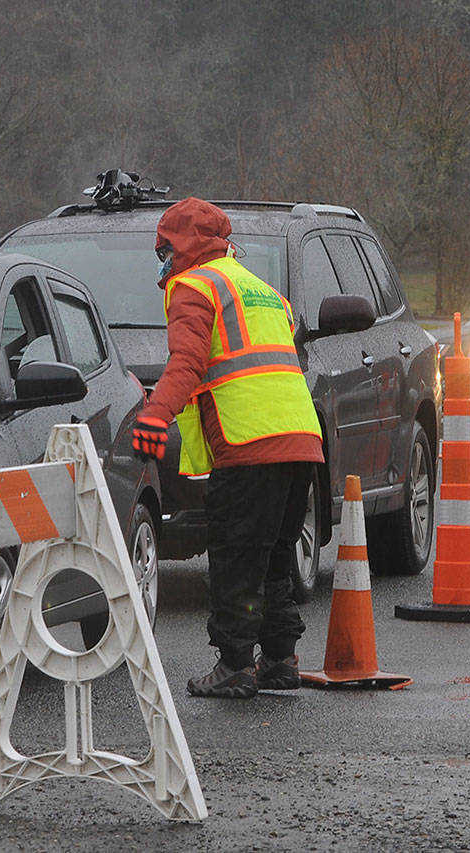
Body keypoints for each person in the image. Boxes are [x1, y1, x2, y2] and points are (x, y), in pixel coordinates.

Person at [131, 197, 324, 699]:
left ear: (179, 246)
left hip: (249, 440)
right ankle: (280, 659)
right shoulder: (260, 289)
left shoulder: (193, 286)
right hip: (301, 438)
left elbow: (188, 363)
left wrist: (155, 413)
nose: (161, 259)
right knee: (274, 556)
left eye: (164, 248)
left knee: (237, 554)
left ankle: (236, 664)